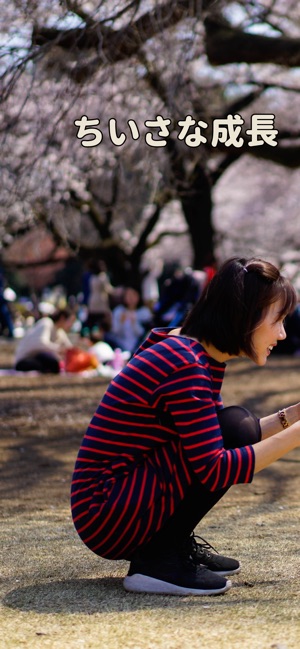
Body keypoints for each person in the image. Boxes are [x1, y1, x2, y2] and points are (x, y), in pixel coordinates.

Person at [71, 257, 300, 597]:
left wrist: (292, 416)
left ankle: (169, 545)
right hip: (106, 512)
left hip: (112, 499)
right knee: (237, 427)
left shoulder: (189, 348)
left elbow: (217, 434)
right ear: (245, 314)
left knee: (237, 425)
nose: (282, 333)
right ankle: (158, 561)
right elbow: (215, 468)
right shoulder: (185, 364)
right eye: (277, 320)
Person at [14, 307, 75, 373]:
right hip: (24, 360)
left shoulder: (59, 331)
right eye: (71, 321)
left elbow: (69, 348)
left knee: (54, 364)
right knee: (52, 363)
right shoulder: (47, 323)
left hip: (36, 358)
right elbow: (41, 343)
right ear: (62, 318)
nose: (71, 325)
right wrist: (59, 349)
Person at [108, 287, 152, 354]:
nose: (131, 298)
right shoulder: (119, 311)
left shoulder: (144, 312)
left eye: (134, 295)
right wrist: (121, 322)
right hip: (120, 347)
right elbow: (114, 332)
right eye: (128, 295)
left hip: (139, 348)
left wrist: (134, 323)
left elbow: (144, 334)